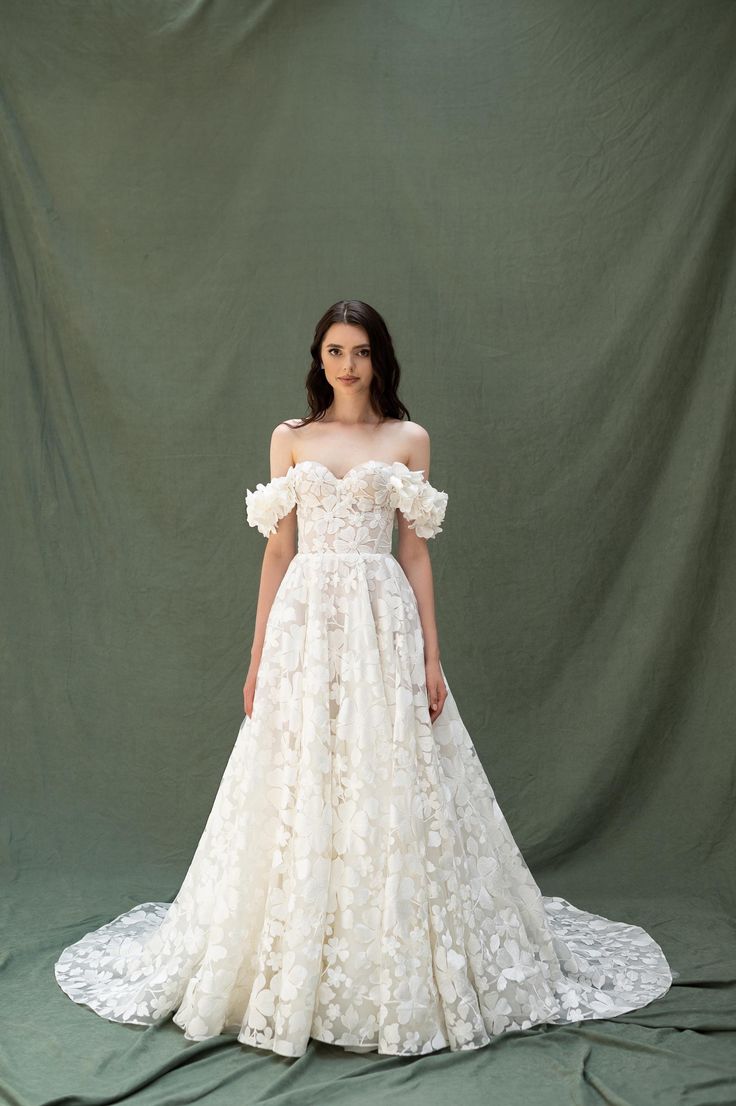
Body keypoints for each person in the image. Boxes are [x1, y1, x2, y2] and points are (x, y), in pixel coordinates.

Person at [54, 299, 674, 1058]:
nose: (346, 364)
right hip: (305, 627)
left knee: (388, 775)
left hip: (384, 625)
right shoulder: (290, 439)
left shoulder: (408, 439)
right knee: (302, 774)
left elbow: (414, 552)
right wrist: (254, 661)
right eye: (333, 350)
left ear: (379, 358)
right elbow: (277, 552)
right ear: (318, 358)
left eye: (360, 350)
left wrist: (432, 654)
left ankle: (388, 950)